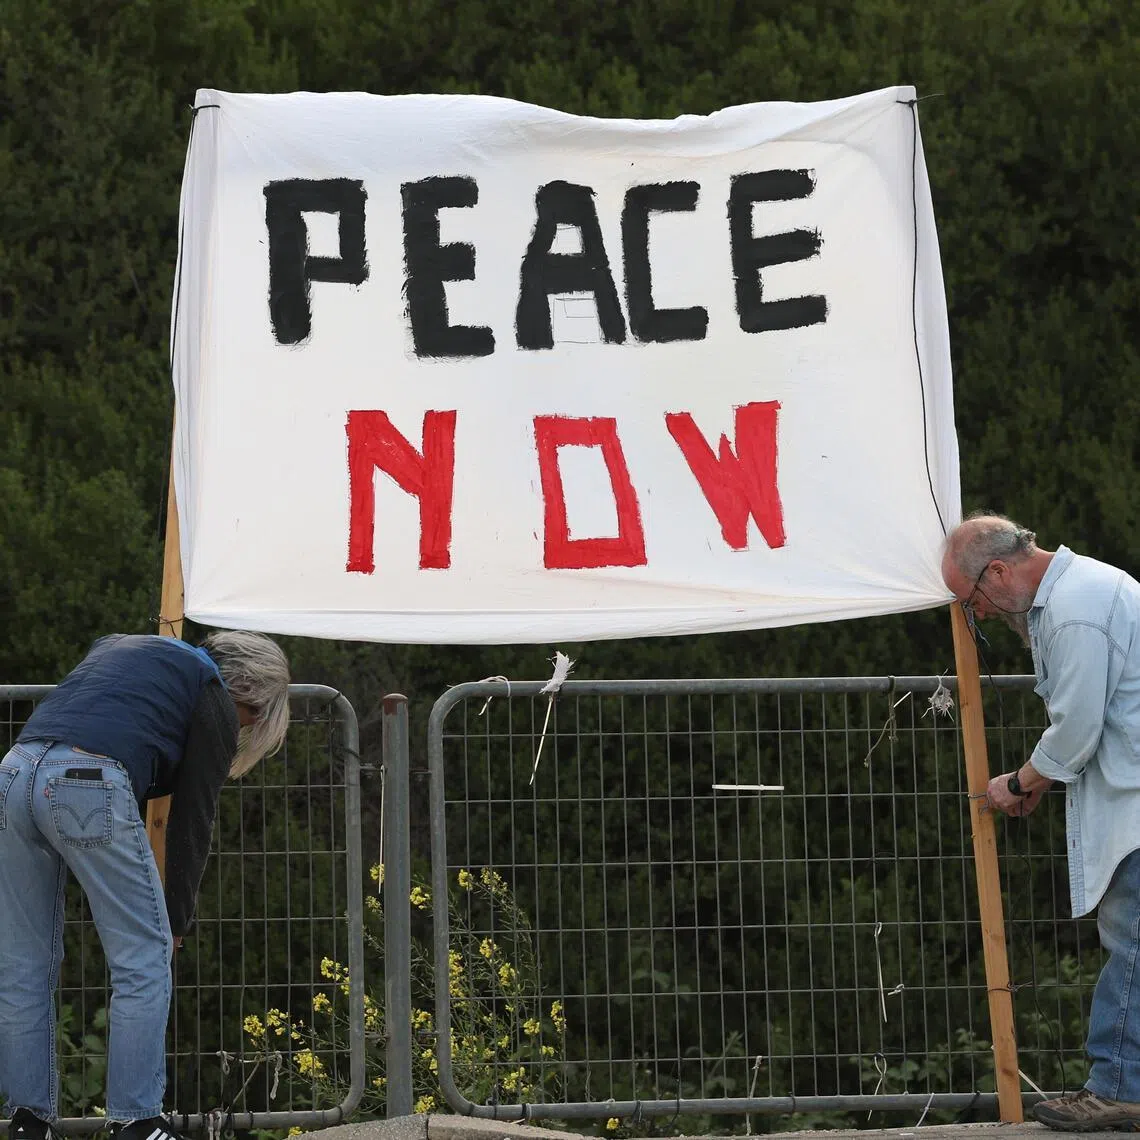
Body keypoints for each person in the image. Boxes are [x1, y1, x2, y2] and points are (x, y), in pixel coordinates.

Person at [0, 631, 290, 1140]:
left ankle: (28, 1123)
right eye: (251, 718)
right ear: (247, 691)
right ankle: (136, 1122)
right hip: (87, 778)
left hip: (13, 771)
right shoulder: (211, 692)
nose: (243, 729)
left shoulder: (123, 648)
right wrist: (175, 921)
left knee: (23, 962)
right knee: (143, 959)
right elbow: (193, 821)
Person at [942, 513, 1140, 1131]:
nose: (977, 613)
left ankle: (1120, 1088)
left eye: (971, 599)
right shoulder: (1089, 588)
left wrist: (1021, 782)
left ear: (998, 571)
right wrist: (1043, 778)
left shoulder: (1075, 609)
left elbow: (1077, 726)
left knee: (1132, 944)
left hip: (1134, 803)